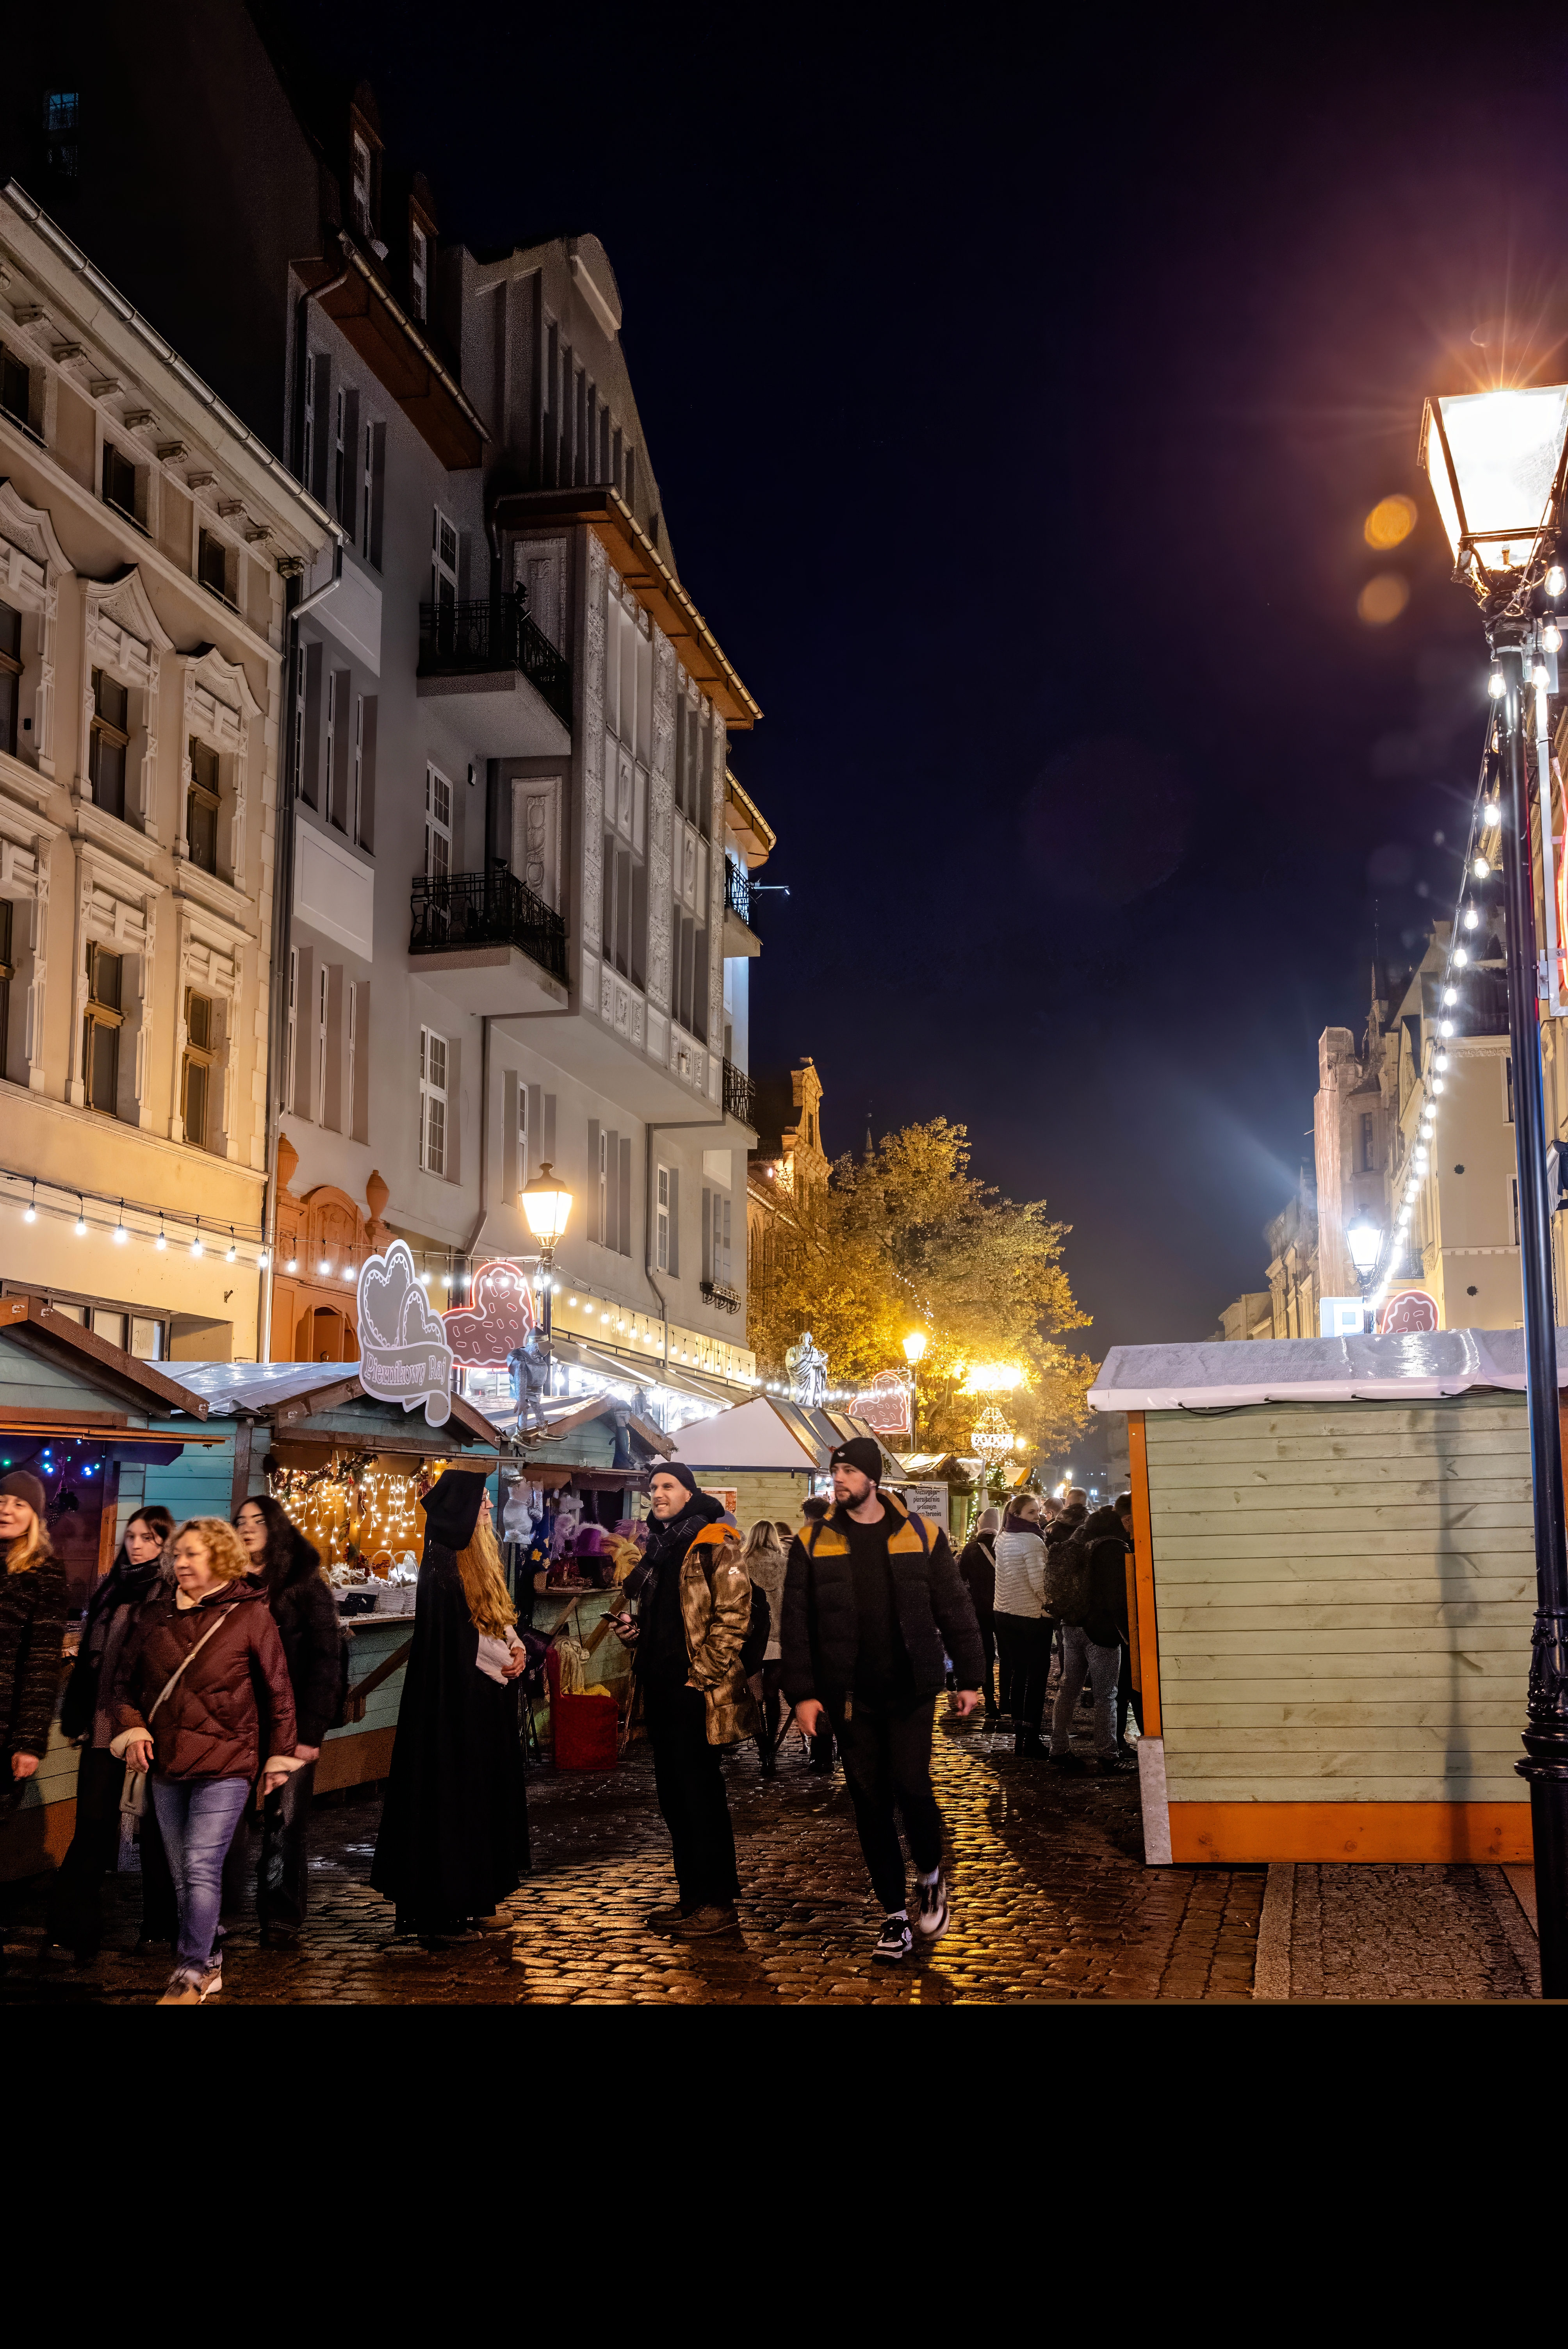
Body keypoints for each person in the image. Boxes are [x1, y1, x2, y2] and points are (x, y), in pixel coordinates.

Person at [780, 1436, 984, 1964]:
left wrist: (969, 1678)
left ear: (873, 1478)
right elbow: (796, 1623)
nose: (839, 1480)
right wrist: (802, 1693)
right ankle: (894, 1916)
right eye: (836, 1472)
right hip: (850, 1697)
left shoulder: (922, 1534)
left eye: (849, 1471)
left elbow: (954, 1607)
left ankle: (931, 1876)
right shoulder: (812, 1541)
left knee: (912, 1788)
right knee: (869, 1803)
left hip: (911, 1689)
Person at [110, 1517, 299, 2005]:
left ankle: (190, 1971)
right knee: (182, 1874)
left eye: (193, 1553)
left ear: (220, 1556)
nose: (182, 1562)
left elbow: (279, 1691)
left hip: (228, 1763)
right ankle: (210, 1959)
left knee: (199, 1865)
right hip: (167, 1763)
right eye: (178, 1554)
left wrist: (280, 1757)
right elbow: (122, 1686)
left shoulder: (250, 1614)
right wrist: (133, 1728)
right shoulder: (153, 1617)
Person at [371, 1472, 530, 1943]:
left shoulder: (478, 1556)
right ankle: (443, 1911)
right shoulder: (443, 1561)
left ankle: (478, 1897)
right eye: (481, 1501)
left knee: (481, 1803)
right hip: (451, 1709)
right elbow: (460, 1636)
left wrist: (516, 1646)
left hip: (480, 1703)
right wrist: (504, 1660)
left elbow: (494, 1616)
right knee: (452, 1803)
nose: (488, 1507)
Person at [614, 1463, 755, 1935]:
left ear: (689, 1493)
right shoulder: (660, 1547)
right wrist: (636, 1633)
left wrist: (701, 1678)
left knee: (700, 1798)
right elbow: (670, 1622)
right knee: (675, 1799)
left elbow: (734, 1616)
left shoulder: (715, 1541)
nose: (658, 1493)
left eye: (668, 1486)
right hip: (660, 1688)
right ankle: (692, 1897)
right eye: (653, 1487)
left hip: (694, 1691)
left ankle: (717, 1902)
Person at [48, 1504, 174, 1962]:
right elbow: (90, 1657)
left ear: (165, 1543)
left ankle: (160, 1927)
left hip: (148, 1724)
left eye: (148, 1538)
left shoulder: (169, 1590)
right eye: (132, 1536)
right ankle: (73, 1927)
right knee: (93, 1824)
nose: (136, 1545)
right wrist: (78, 1713)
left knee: (157, 1832)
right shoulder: (112, 1585)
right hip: (103, 1721)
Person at [232, 1495, 344, 1948]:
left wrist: (311, 1732)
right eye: (240, 1520)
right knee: (227, 1820)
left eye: (258, 1520)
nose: (247, 1527)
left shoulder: (303, 1585)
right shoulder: (227, 1581)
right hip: (235, 1723)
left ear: (276, 1527)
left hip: (290, 1724)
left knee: (285, 1823)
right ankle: (214, 1910)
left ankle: (280, 1915)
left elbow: (326, 1661)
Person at [1046, 1499, 1131, 1774]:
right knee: (1107, 1695)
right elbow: (1116, 1598)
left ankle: (1058, 1748)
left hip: (1072, 1625)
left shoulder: (1078, 1542)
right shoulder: (1113, 1548)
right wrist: (1128, 1633)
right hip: (1101, 1630)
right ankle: (1108, 1754)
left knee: (1068, 1688)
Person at [1, 1471, 68, 1805]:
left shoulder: (45, 1572)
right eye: (2, 1501)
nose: (6, 1510)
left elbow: (42, 1665)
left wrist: (29, 1742)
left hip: (5, 1727)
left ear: (34, 1517)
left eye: (19, 1504)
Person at [991, 1492, 1053, 1757]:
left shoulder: (1002, 1537)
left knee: (1018, 1673)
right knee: (1036, 1678)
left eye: (1038, 1511)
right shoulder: (1032, 1540)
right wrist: (1052, 1605)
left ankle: (1019, 1736)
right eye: (1031, 1512)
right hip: (1031, 1616)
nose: (1037, 1516)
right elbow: (1039, 1583)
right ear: (1016, 1514)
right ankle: (1032, 1739)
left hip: (1004, 1613)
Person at [740, 1520, 789, 1775]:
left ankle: (764, 1750)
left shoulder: (742, 1564)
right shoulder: (786, 1565)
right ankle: (772, 1747)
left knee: (755, 1697)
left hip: (751, 1640)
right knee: (772, 1695)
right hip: (778, 1641)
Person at [957, 1506, 1000, 1719]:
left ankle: (991, 1703)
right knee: (1009, 1657)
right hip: (1004, 1610)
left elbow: (960, 1578)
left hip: (981, 1611)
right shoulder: (1004, 1545)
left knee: (987, 1657)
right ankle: (1008, 1702)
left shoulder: (971, 1549)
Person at [1111, 1493, 1143, 1750]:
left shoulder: (1115, 1542)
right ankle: (1144, 1737)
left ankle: (1122, 1740)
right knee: (1131, 1689)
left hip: (1123, 1627)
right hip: (1128, 1627)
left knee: (1123, 1689)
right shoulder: (1123, 1545)